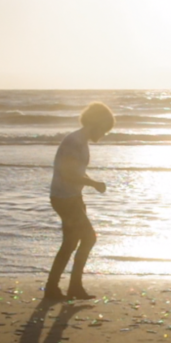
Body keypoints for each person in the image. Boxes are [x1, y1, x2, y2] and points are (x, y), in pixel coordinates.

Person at [45, 101, 114, 300]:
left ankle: (55, 288)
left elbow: (76, 171)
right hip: (64, 198)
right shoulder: (74, 142)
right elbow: (68, 174)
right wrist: (94, 184)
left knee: (70, 242)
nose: (104, 134)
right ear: (96, 123)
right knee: (89, 238)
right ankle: (72, 286)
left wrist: (89, 183)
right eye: (104, 129)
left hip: (72, 197)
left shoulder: (80, 142)